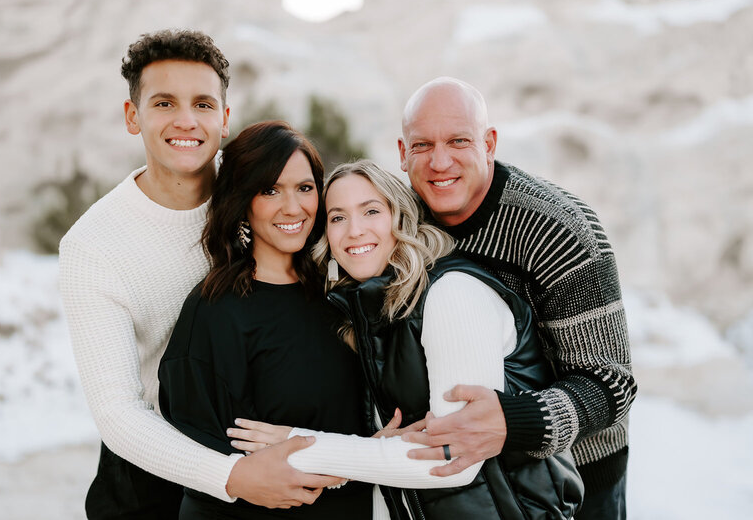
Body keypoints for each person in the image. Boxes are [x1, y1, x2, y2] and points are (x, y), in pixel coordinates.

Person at [59, 30, 338, 519]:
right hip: (154, 471)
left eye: (203, 104)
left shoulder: (260, 192)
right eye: (164, 103)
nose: (186, 121)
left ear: (225, 119)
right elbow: (118, 413)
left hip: (262, 452)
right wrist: (229, 476)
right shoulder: (93, 245)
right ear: (133, 116)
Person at [228, 160, 583, 520]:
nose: (354, 231)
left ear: (401, 218)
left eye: (371, 211)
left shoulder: (452, 295)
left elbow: (454, 461)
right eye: (337, 218)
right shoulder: (369, 313)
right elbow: (390, 456)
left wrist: (298, 445)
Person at [396, 77, 636, 519]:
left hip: (575, 479)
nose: (440, 160)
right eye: (422, 145)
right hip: (459, 486)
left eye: (458, 141)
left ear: (488, 143)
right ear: (401, 151)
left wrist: (512, 421)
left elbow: (612, 382)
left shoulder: (559, 230)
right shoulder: (395, 221)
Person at [157, 121, 373, 519]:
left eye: (305, 188)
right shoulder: (215, 312)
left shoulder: (341, 296)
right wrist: (359, 460)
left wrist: (375, 450)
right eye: (270, 190)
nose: (293, 207)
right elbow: (199, 454)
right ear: (243, 200)